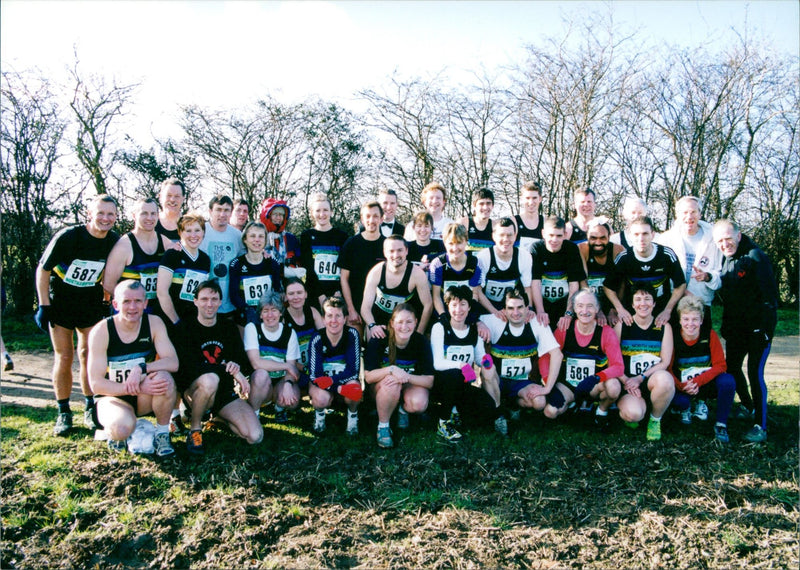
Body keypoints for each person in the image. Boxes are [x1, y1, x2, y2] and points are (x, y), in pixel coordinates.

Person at [35, 194, 120, 436]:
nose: (105, 218)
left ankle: (90, 407)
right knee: (64, 355)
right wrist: (44, 305)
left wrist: (106, 300)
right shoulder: (69, 236)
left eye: (110, 214)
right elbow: (43, 270)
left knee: (89, 355)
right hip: (61, 303)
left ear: (116, 216)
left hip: (90, 304)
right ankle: (63, 412)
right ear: (90, 214)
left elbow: (112, 272)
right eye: (101, 213)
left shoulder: (113, 240)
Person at [176, 280, 270, 454]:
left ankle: (219, 418)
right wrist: (227, 368)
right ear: (195, 301)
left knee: (255, 436)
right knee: (210, 380)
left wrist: (236, 367)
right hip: (196, 391)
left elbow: (241, 361)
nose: (209, 304)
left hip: (224, 394)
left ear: (220, 302)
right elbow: (188, 368)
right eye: (204, 299)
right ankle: (195, 429)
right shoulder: (184, 328)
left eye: (214, 299)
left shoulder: (228, 327)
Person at [87, 280, 178, 455]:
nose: (132, 307)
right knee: (121, 430)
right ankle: (117, 428)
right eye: (126, 301)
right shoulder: (101, 331)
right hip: (112, 397)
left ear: (145, 303)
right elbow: (96, 384)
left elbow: (173, 362)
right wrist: (135, 387)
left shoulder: (154, 323)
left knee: (164, 379)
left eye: (137, 301)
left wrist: (141, 368)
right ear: (115, 304)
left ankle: (161, 433)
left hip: (143, 397)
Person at [713, 219, 778, 443]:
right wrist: (726, 326)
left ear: (738, 236)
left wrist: (766, 330)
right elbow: (730, 297)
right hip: (736, 330)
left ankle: (761, 425)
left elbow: (770, 298)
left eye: (728, 238)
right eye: (720, 240)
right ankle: (748, 407)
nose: (725, 243)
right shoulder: (724, 258)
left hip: (758, 329)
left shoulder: (755, 257)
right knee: (731, 369)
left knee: (754, 374)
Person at [431, 286, 507, 441]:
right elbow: (437, 363)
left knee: (487, 407)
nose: (458, 309)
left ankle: (457, 412)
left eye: (463, 304)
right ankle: (443, 423)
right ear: (448, 307)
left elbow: (479, 358)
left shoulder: (473, 330)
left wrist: (486, 361)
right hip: (442, 385)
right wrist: (461, 365)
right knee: (454, 374)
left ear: (469, 307)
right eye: (454, 305)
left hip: (464, 385)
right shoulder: (440, 328)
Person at [479, 289, 563, 422]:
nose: (516, 313)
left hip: (522, 382)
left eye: (520, 307)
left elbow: (557, 355)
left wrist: (547, 388)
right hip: (496, 380)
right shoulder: (494, 321)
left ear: (527, 308)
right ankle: (499, 413)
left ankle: (512, 405)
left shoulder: (536, 322)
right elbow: (468, 320)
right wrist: (478, 323)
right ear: (504, 310)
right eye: (510, 308)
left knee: (539, 402)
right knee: (487, 376)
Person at [551, 289, 624, 431]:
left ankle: (601, 410)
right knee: (550, 412)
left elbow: (618, 366)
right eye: (580, 305)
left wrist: (596, 378)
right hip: (569, 384)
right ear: (574, 308)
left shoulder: (606, 331)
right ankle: (574, 405)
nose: (585, 311)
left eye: (590, 306)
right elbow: (549, 357)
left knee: (614, 387)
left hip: (594, 385)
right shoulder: (564, 329)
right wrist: (549, 382)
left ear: (597, 308)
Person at [365, 304, 434, 448]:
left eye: (409, 322)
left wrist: (404, 376)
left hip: (408, 386)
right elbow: (368, 377)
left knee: (419, 403)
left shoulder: (421, 342)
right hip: (381, 389)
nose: (404, 326)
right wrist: (391, 370)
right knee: (392, 383)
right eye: (400, 322)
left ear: (416, 322)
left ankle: (402, 409)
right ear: (392, 323)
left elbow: (429, 381)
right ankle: (383, 427)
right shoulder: (380, 338)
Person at [670, 296, 736, 443]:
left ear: (701, 320)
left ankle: (721, 424)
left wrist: (697, 382)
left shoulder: (709, 334)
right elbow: (667, 368)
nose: (690, 324)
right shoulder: (674, 337)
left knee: (728, 381)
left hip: (704, 384)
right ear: (680, 320)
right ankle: (685, 408)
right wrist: (681, 386)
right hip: (682, 386)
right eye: (686, 319)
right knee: (680, 402)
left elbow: (721, 365)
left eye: (695, 319)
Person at [614, 285, 675, 441]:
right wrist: (627, 381)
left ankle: (655, 419)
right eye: (638, 300)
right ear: (633, 305)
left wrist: (640, 377)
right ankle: (635, 411)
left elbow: (665, 361)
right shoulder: (622, 326)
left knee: (666, 380)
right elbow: (612, 360)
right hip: (628, 384)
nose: (643, 304)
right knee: (634, 415)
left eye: (647, 299)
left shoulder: (664, 327)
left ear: (654, 304)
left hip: (649, 380)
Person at [603, 216, 686, 328]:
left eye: (645, 233)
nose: (641, 239)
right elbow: (608, 287)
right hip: (633, 310)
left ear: (652, 234)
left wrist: (668, 310)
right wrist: (620, 309)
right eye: (636, 234)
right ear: (631, 236)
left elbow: (680, 285)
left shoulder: (666, 255)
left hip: (661, 310)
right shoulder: (624, 257)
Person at [656, 196, 722, 326]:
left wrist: (707, 277)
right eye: (685, 212)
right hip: (672, 302)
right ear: (678, 215)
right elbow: (660, 275)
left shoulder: (714, 240)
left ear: (700, 214)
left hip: (701, 303)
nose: (689, 217)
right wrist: (683, 291)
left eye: (693, 212)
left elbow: (719, 276)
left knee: (701, 344)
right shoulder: (665, 240)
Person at [103, 198, 173, 314]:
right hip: (130, 313)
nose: (149, 218)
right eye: (144, 213)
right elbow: (108, 284)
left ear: (158, 216)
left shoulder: (165, 242)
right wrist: (131, 304)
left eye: (153, 214)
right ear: (134, 215)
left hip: (156, 311)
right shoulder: (123, 246)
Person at [307, 296, 363, 435]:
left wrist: (332, 381)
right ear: (323, 319)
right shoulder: (317, 338)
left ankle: (352, 418)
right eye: (329, 316)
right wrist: (337, 388)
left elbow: (353, 371)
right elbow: (315, 376)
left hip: (339, 380)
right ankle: (319, 418)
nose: (333, 321)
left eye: (338, 316)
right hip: (325, 384)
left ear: (345, 319)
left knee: (354, 389)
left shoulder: (352, 335)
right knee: (321, 398)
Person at [361, 235, 433, 340]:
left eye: (400, 250)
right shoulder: (376, 272)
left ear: (406, 251)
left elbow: (428, 305)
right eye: (391, 251)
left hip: (405, 326)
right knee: (371, 336)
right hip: (380, 324)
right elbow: (365, 307)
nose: (396, 255)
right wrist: (372, 326)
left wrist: (419, 333)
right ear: (385, 252)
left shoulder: (417, 274)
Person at [244, 291, 300, 424]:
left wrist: (287, 384)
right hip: (260, 383)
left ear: (281, 313)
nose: (270, 315)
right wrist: (285, 365)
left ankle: (279, 408)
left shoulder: (289, 332)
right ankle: (255, 413)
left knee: (294, 401)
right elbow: (256, 363)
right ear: (260, 314)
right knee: (261, 375)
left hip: (280, 380)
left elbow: (292, 369)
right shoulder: (252, 328)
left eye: (274, 310)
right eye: (265, 311)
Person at [530, 216, 586, 330]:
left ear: (565, 234)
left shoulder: (571, 249)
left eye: (559, 236)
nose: (554, 240)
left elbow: (574, 284)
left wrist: (569, 313)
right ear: (543, 233)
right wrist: (540, 311)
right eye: (551, 235)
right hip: (542, 304)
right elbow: (535, 283)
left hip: (565, 304)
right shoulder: (536, 248)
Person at [338, 201, 386, 334]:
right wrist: (351, 309)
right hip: (355, 306)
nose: (372, 220)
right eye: (368, 216)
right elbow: (344, 279)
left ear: (382, 219)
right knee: (353, 345)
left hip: (379, 309)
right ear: (362, 219)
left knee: (375, 347)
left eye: (376, 216)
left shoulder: (388, 245)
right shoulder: (351, 244)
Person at [156, 212, 211, 327]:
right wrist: (176, 322)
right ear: (180, 233)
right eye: (188, 231)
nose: (193, 235)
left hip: (193, 322)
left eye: (197, 230)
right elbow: (162, 293)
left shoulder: (205, 259)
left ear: (203, 233)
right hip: (170, 320)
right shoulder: (172, 255)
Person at [229, 221, 283, 330]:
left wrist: (269, 311)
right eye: (252, 236)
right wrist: (247, 309)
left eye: (261, 236)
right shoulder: (236, 264)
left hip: (269, 318)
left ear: (265, 240)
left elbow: (277, 291)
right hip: (245, 319)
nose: (257, 240)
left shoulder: (273, 263)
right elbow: (234, 295)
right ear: (245, 239)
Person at [300, 193, 349, 310]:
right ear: (312, 213)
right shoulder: (306, 236)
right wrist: (320, 295)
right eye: (318, 210)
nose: (322, 214)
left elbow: (345, 268)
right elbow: (308, 268)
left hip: (337, 294)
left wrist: (339, 291)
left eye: (325, 210)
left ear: (331, 212)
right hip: (314, 293)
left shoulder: (342, 236)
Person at [476, 217, 534, 317]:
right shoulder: (483, 257)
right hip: (487, 308)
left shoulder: (524, 256)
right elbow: (478, 290)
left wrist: (528, 309)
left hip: (513, 308)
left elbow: (527, 288)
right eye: (501, 235)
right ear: (493, 236)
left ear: (515, 236)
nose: (505, 239)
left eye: (509, 235)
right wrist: (495, 312)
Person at [281, 278, 324, 409]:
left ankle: (313, 393)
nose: (296, 297)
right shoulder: (282, 318)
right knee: (291, 404)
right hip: (294, 369)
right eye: (291, 293)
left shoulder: (313, 312)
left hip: (313, 367)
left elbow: (325, 340)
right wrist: (305, 369)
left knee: (326, 397)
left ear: (306, 294)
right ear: (286, 296)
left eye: (299, 292)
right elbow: (283, 357)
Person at [428, 223, 486, 320]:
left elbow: (474, 294)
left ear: (466, 242)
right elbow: (436, 296)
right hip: (444, 310)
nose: (455, 248)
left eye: (459, 242)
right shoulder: (437, 264)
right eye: (451, 243)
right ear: (444, 242)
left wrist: (470, 315)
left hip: (465, 310)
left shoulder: (475, 263)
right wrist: (443, 316)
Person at [200, 195, 244, 319]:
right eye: (218, 209)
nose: (222, 214)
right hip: (205, 302)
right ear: (210, 211)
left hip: (229, 302)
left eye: (226, 210)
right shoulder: (201, 231)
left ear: (231, 213)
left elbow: (248, 257)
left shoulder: (237, 235)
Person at [578, 219, 625, 327]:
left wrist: (614, 309)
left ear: (609, 237)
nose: (598, 242)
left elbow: (622, 283)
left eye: (602, 238)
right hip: (589, 300)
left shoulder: (618, 250)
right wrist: (596, 310)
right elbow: (582, 281)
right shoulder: (582, 249)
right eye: (593, 238)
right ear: (587, 237)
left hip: (612, 300)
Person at [258, 198, 302, 273]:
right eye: (275, 214)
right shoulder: (257, 237)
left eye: (281, 215)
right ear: (268, 216)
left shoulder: (290, 239)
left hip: (287, 280)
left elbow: (299, 261)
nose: (278, 218)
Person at [458, 187, 495, 252]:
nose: (485, 207)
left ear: (492, 206)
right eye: (481, 203)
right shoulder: (463, 223)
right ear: (474, 205)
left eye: (488, 203)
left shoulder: (496, 226)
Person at [514, 181, 545, 253]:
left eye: (534, 198)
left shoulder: (546, 222)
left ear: (540, 199)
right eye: (527, 198)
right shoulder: (514, 222)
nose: (531, 202)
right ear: (521, 199)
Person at [155, 177, 185, 243]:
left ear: (183, 199)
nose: (172, 200)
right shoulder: (150, 223)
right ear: (160, 197)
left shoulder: (189, 225)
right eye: (169, 195)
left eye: (177, 196)